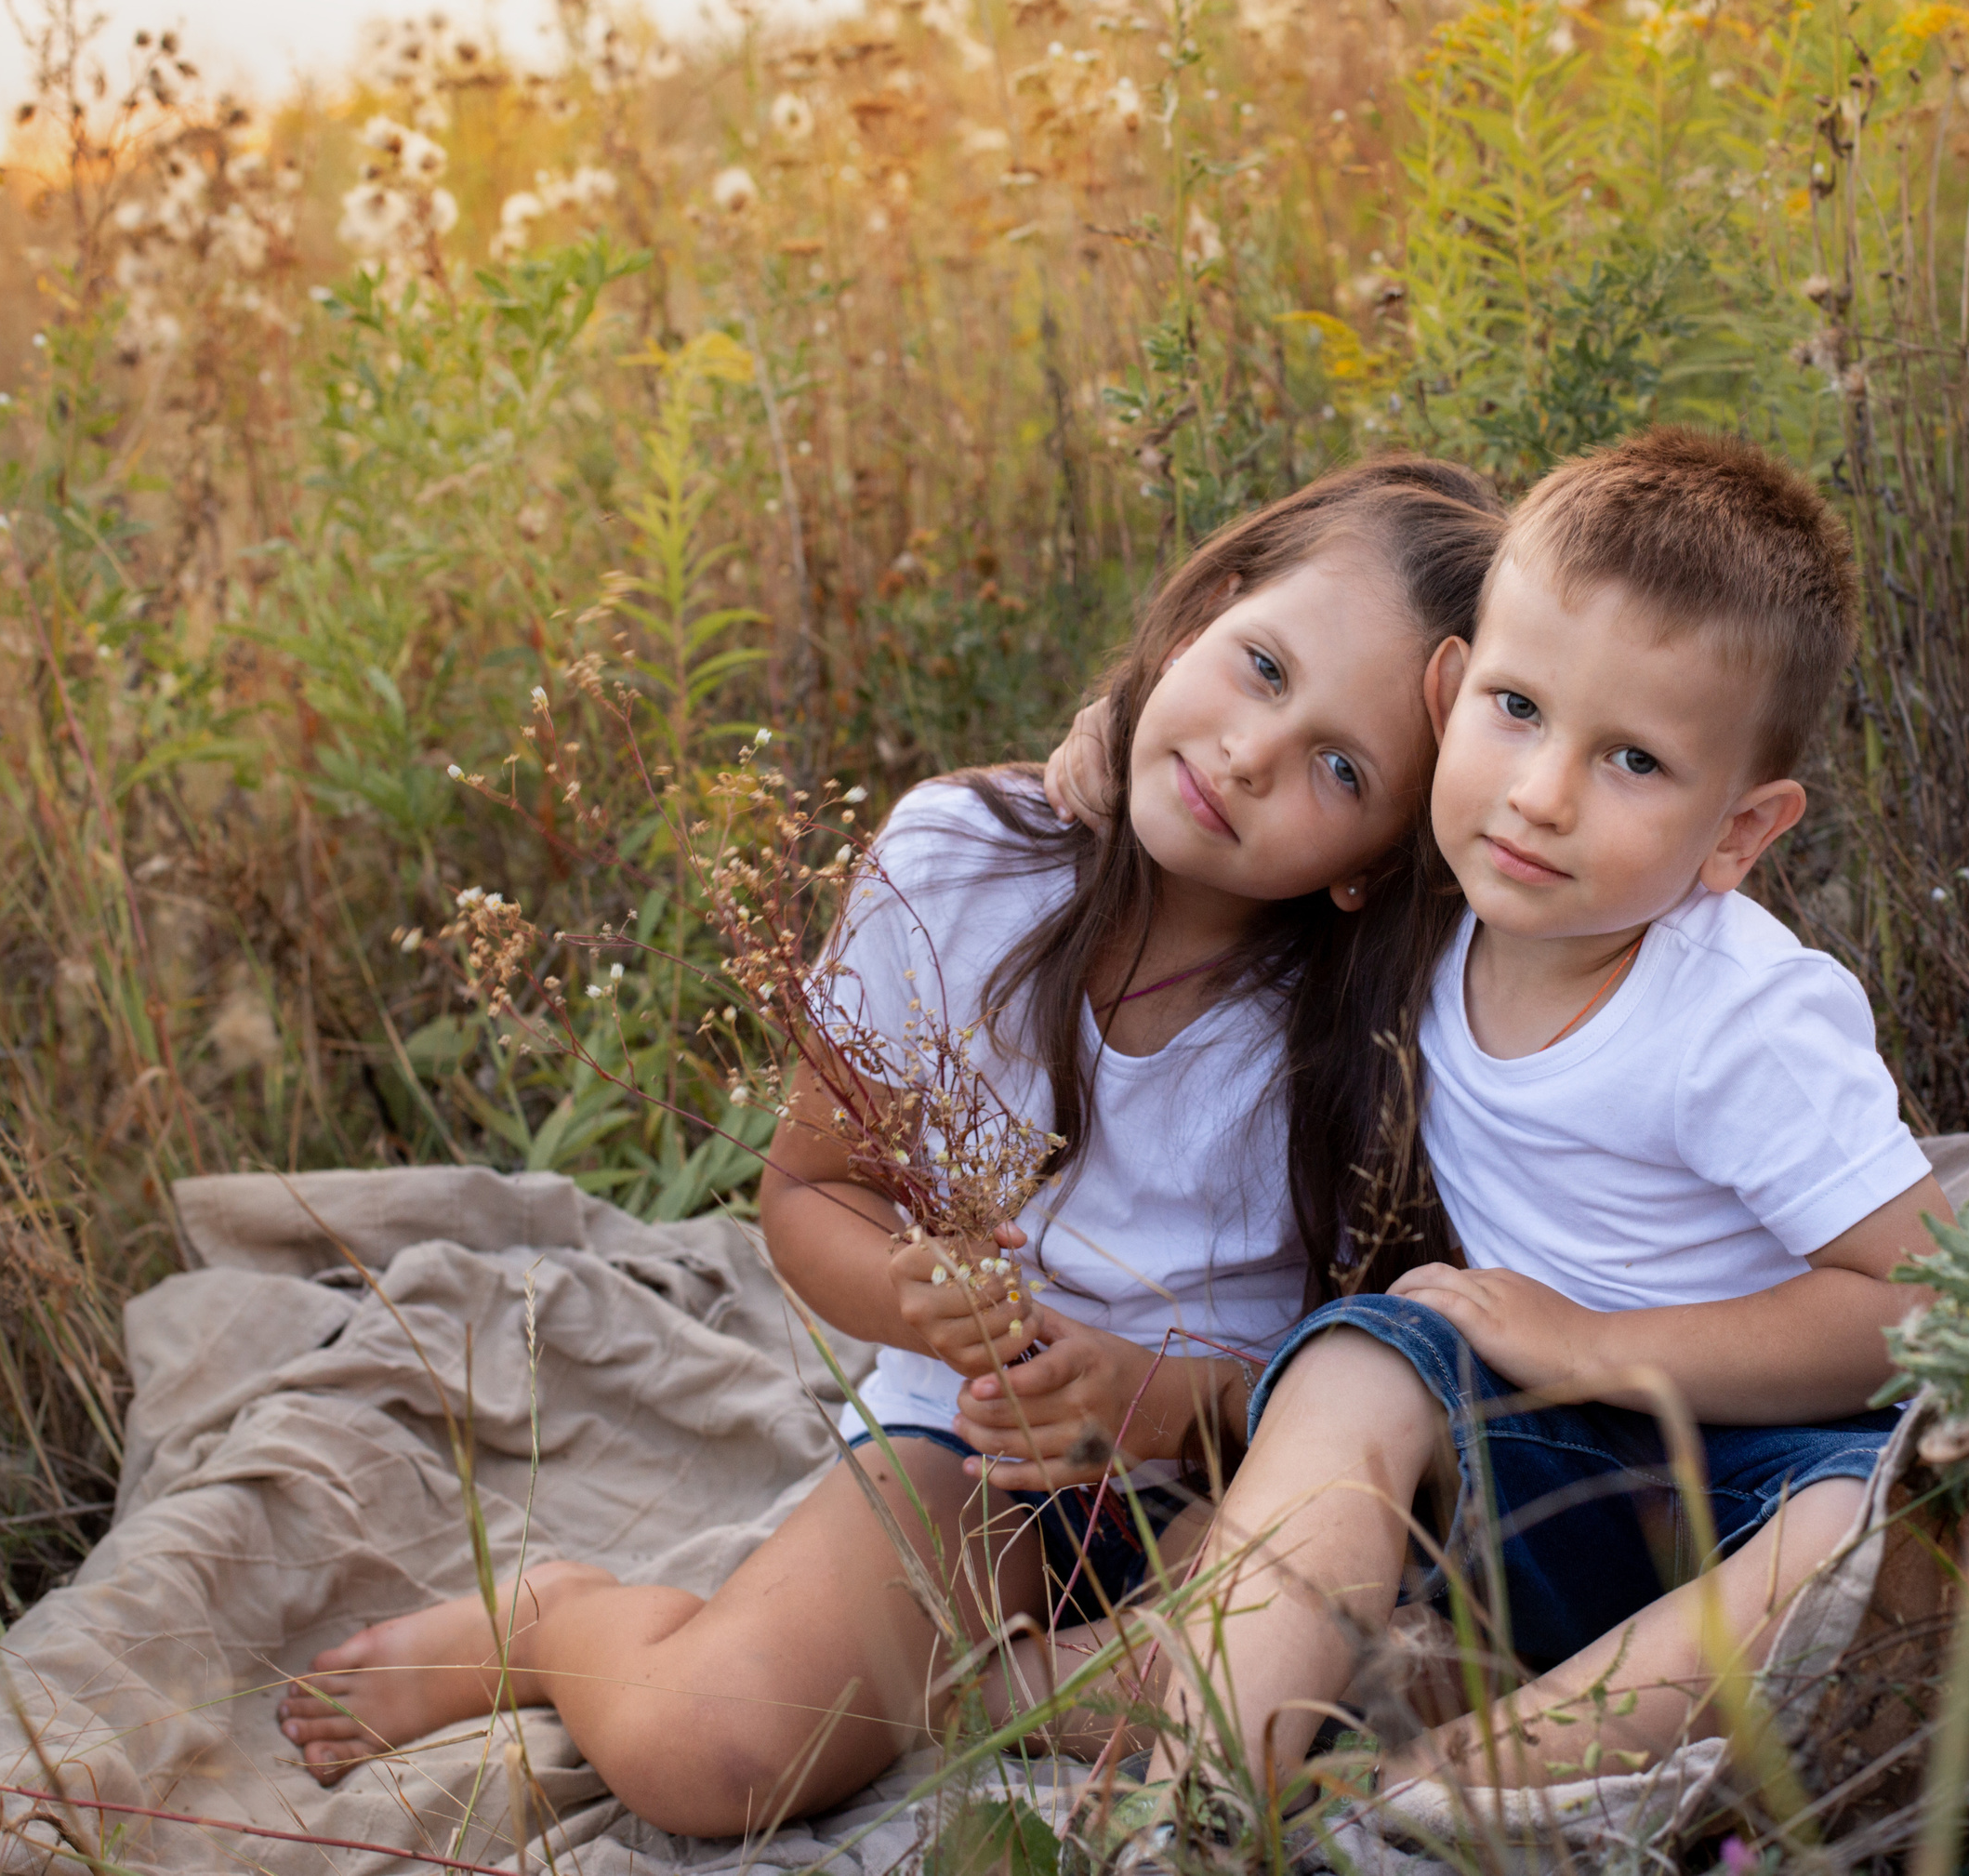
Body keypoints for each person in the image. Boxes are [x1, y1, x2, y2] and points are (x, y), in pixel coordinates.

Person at [273, 456, 1504, 1839]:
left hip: (1234, 1474)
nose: (1249, 755)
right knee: (707, 1753)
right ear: (1202, 611)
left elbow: (1399, 1352)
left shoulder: (1390, 1018)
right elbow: (808, 1189)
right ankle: (565, 1621)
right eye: (1261, 667)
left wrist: (1165, 1401)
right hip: (971, 1455)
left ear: (1384, 855)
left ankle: (999, 1694)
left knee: (1321, 1696)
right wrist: (905, 1289)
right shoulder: (965, 864)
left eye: (1343, 767)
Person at [1063, 428, 1954, 1856]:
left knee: (1874, 1527)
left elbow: (1922, 1298)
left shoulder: (1739, 1016)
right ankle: (1209, 1789)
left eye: (1636, 760)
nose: (1543, 792)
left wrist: (1603, 1347)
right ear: (1449, 690)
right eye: (1519, 707)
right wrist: (1108, 749)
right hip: (1520, 1482)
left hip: (1751, 1482)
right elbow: (1246, 798)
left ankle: (1441, 1784)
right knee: (1365, 1355)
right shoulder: (1443, 894)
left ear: (1740, 831)